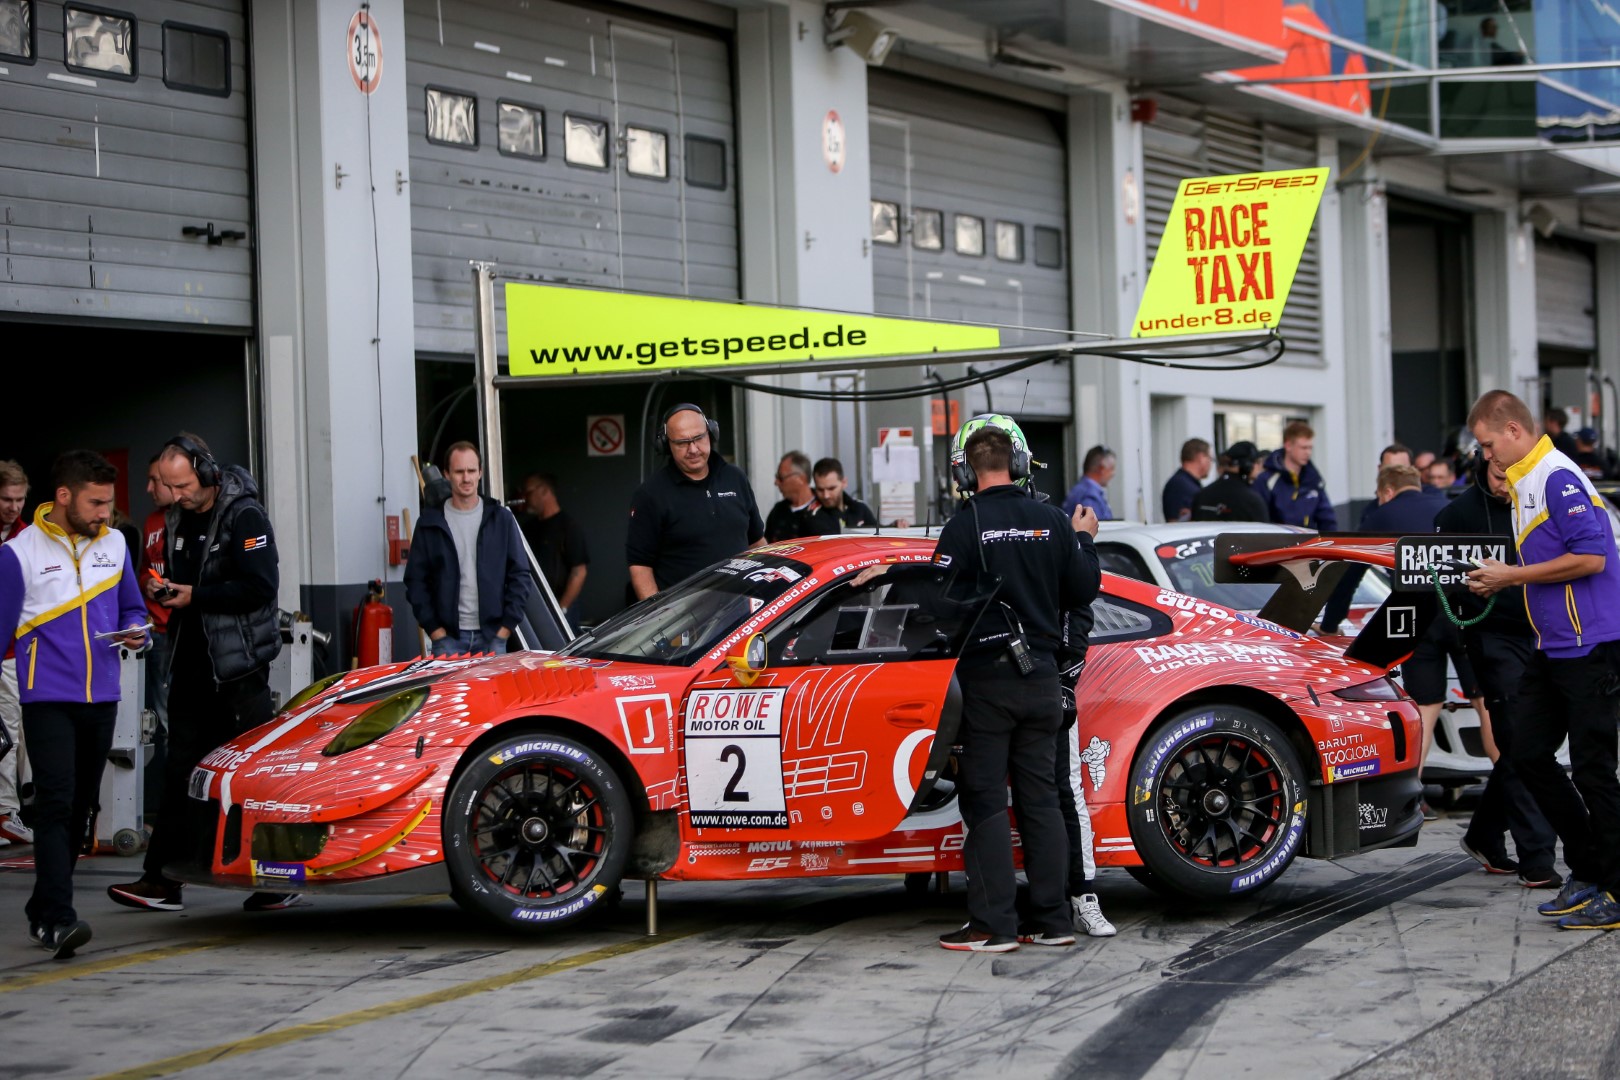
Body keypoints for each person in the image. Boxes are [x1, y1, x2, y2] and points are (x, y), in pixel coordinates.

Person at [929, 420, 1097, 952]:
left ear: (964, 471)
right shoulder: (1052, 520)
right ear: (1019, 465)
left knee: (984, 804)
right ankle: (1052, 922)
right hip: (1043, 680)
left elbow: (937, 608)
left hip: (985, 683)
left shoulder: (964, 526)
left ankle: (993, 926)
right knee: (1041, 801)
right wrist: (1084, 540)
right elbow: (1084, 589)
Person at [108, 434, 289, 914]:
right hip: (190, 663)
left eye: (183, 484)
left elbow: (261, 586)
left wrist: (197, 595)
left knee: (251, 776)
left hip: (238, 670)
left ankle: (274, 878)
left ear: (207, 472)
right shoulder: (176, 518)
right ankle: (161, 879)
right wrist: (159, 586)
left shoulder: (246, 516)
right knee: (179, 771)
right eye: (170, 486)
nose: (177, 494)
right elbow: (187, 580)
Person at [1465, 390, 1620, 930]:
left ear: (1513, 432)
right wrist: (1499, 578)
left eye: (1487, 444)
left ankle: (1614, 887)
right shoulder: (1525, 480)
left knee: (1595, 768)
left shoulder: (1556, 475)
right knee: (1525, 753)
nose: (1485, 456)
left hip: (1591, 646)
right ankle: (1591, 869)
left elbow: (1592, 556)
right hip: (1552, 646)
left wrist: (1509, 576)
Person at [0, 451, 148, 957]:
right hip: (47, 699)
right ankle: (59, 919)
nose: (107, 512)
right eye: (97, 502)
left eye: (109, 502)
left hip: (103, 696)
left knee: (81, 809)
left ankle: (42, 908)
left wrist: (137, 632)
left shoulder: (115, 546)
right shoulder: (19, 552)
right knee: (57, 804)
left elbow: (134, 607)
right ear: (64, 497)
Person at [1440, 456, 1559, 888]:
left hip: (1541, 630)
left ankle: (1485, 833)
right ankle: (1537, 857)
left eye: (1513, 477)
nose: (1505, 485)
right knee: (1520, 740)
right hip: (1491, 635)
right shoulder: (1457, 514)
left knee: (1531, 744)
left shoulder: (1537, 499)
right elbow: (1439, 584)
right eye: (1497, 476)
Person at [405, 442, 531, 656]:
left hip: (494, 638)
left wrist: (505, 630)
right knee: (448, 692)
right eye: (459, 471)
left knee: (493, 691)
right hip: (448, 640)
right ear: (446, 474)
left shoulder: (501, 519)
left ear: (480, 473)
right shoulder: (429, 522)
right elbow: (415, 581)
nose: (466, 478)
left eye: (471, 471)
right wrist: (435, 630)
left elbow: (520, 574)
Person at [627, 404, 764, 600]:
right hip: (686, 620)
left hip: (742, 611)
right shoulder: (650, 494)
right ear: (667, 445)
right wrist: (660, 618)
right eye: (682, 442)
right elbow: (640, 566)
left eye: (699, 438)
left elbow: (757, 543)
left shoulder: (735, 478)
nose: (693, 449)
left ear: (711, 433)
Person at [0, 459, 34, 846]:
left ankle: (11, 809)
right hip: (8, 652)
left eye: (19, 499)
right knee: (6, 731)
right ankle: (5, 812)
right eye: (6, 499)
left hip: (18, 651)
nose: (13, 506)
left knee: (20, 733)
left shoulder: (28, 536)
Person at [140, 455, 175, 817]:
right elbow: (141, 571)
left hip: (185, 634)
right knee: (160, 725)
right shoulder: (151, 521)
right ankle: (167, 813)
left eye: (154, 481)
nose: (148, 489)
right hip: (155, 635)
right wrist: (147, 584)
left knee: (176, 726)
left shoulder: (196, 521)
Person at [516, 472, 588, 622]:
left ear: (544, 490)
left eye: (529, 492)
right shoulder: (528, 528)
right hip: (533, 607)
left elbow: (579, 571)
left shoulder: (568, 527)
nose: (525, 497)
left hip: (561, 607)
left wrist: (562, 609)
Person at [1256, 421, 1338, 530]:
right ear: (1288, 445)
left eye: (1310, 448)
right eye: (1303, 448)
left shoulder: (1313, 480)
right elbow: (1259, 521)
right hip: (1277, 544)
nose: (1308, 453)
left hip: (1309, 544)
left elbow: (1327, 519)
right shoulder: (1267, 480)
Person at [1190, 442, 1269, 523]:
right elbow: (1265, 533)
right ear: (1247, 466)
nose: (1258, 467)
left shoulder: (1201, 495)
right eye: (1256, 462)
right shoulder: (1252, 501)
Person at [764, 451, 827, 542]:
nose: (776, 483)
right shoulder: (778, 510)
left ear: (801, 479)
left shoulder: (824, 510)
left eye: (781, 478)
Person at [810, 458, 878, 531]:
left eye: (831, 488)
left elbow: (878, 538)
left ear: (844, 483)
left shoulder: (860, 508)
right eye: (820, 490)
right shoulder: (813, 516)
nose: (826, 495)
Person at [1161, 438, 1212, 523]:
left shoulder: (1186, 483)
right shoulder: (1179, 485)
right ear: (1201, 458)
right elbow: (1174, 523)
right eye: (1210, 458)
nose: (1210, 463)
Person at [1062, 446, 1115, 520]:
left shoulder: (1079, 490)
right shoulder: (1090, 496)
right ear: (1102, 469)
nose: (1113, 473)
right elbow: (1094, 529)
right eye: (1112, 468)